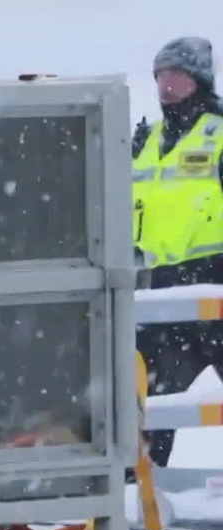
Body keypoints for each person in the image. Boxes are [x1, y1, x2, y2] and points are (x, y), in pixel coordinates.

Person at [134, 36, 223, 468]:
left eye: (176, 75)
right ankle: (143, 490)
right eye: (160, 75)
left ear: (199, 81)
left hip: (216, 287)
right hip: (162, 294)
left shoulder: (219, 133)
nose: (166, 85)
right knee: (145, 398)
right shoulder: (145, 140)